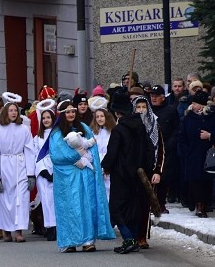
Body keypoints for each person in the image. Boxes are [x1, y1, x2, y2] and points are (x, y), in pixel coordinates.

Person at [48, 100, 115, 252]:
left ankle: (88, 241)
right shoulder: (57, 132)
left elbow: (92, 145)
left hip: (85, 174)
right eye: (68, 112)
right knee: (70, 207)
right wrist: (76, 157)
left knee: (87, 205)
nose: (71, 114)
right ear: (62, 114)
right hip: (67, 177)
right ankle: (70, 241)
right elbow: (56, 154)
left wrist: (88, 158)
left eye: (73, 111)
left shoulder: (84, 128)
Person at [102, 92, 154, 254]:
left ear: (117, 113)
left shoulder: (118, 130)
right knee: (133, 208)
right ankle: (133, 238)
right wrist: (146, 169)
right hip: (139, 175)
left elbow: (112, 153)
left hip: (121, 175)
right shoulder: (141, 127)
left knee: (116, 208)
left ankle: (129, 238)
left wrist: (105, 165)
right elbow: (150, 150)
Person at [0, 102, 36, 242]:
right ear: (5, 113)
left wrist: (31, 173)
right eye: (10, 110)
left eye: (15, 111)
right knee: (4, 199)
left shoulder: (24, 129)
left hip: (20, 165)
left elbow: (30, 150)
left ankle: (18, 231)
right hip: (4, 165)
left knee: (21, 198)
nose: (13, 113)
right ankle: (6, 230)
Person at [177, 90, 215, 217]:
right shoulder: (188, 117)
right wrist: (185, 151)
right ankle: (198, 204)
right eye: (193, 103)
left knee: (207, 180)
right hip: (192, 154)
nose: (194, 106)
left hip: (208, 154)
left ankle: (206, 204)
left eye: (196, 104)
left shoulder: (214, 116)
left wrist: (210, 136)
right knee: (195, 180)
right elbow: (182, 135)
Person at [131, 95, 165, 249]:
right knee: (132, 204)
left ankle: (142, 237)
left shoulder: (155, 125)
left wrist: (158, 171)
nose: (141, 110)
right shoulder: (129, 125)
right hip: (132, 171)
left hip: (149, 171)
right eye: (138, 107)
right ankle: (131, 235)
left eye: (144, 107)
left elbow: (161, 151)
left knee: (146, 205)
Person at [34, 100, 58, 241]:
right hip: (43, 174)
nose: (46, 120)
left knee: (56, 200)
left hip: (57, 172)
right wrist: (43, 171)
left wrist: (55, 171)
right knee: (46, 201)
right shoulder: (37, 138)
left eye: (48, 117)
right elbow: (35, 156)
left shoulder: (57, 136)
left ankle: (58, 227)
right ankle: (49, 227)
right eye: (44, 118)